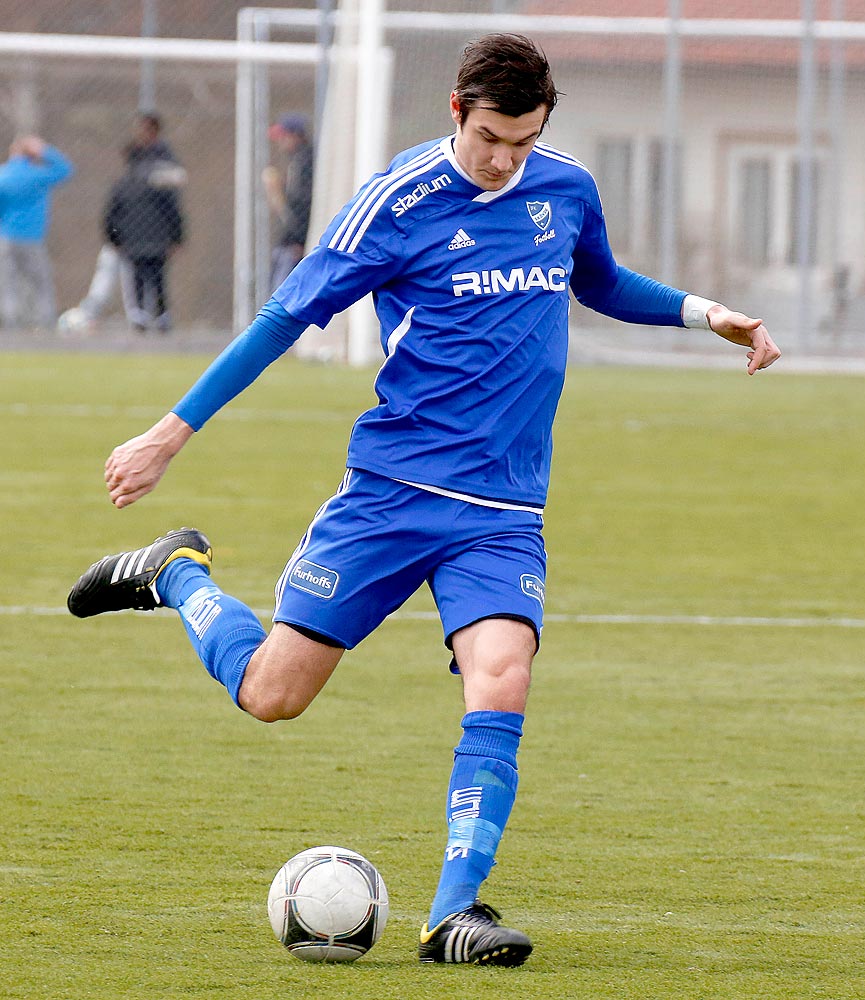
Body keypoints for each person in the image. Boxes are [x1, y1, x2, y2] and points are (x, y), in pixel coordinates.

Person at [67, 33, 779, 968]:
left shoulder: (562, 189)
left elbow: (599, 281)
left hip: (503, 512)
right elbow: (286, 318)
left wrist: (702, 312)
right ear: (456, 111)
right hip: (393, 496)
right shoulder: (395, 206)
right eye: (491, 138)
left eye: (523, 141)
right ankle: (178, 578)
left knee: (505, 675)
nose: (505, 160)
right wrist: (170, 432)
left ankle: (454, 913)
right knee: (272, 696)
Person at [66, 114, 186, 334]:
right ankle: (149, 317)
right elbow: (113, 214)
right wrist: (114, 238)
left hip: (144, 238)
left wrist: (176, 236)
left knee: (152, 277)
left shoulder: (159, 173)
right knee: (146, 277)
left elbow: (114, 213)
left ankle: (152, 316)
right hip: (140, 238)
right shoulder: (135, 182)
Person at [103, 112, 185, 333]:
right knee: (152, 277)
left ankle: (147, 315)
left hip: (140, 237)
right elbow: (172, 208)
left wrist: (114, 236)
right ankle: (155, 316)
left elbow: (112, 213)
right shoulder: (158, 175)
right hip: (148, 236)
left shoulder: (152, 173)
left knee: (147, 277)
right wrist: (176, 236)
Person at [0, 134, 73, 329]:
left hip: (6, 236)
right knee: (40, 282)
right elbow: (65, 170)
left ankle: (11, 323)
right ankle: (45, 323)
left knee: (8, 283)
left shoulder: (3, 175)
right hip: (31, 237)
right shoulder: (37, 175)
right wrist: (44, 150)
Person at [262, 112, 314, 293]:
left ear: (295, 135)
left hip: (296, 239)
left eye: (283, 137)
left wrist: (299, 239)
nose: (280, 142)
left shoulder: (305, 161)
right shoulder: (298, 160)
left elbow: (303, 203)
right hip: (293, 237)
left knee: (283, 289)